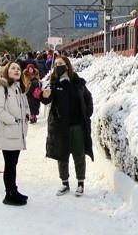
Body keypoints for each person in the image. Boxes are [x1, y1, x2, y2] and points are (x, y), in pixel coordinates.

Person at [41, 56, 93, 197]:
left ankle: (80, 183)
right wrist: (44, 96)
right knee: (62, 156)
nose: (58, 66)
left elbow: (88, 97)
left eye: (61, 63)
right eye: (56, 64)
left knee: (79, 155)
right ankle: (65, 183)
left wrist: (87, 113)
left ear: (67, 66)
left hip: (77, 127)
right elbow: (46, 99)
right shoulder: (54, 83)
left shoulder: (78, 82)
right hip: (60, 127)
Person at [0, 62, 30, 206]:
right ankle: (9, 194)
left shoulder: (18, 88)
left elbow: (25, 106)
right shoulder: (1, 89)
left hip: (18, 133)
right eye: (13, 68)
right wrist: (13, 120)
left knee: (13, 164)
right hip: (8, 133)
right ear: (7, 71)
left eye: (18, 69)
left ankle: (14, 190)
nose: (16, 70)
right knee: (10, 165)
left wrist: (26, 115)